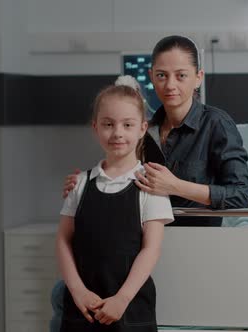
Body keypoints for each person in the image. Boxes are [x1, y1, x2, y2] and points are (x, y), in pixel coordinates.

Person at [63, 35, 248, 227]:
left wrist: (176, 186)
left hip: (197, 240)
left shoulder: (216, 124)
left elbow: (241, 195)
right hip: (142, 237)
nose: (170, 85)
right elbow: (123, 176)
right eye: (162, 75)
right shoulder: (144, 129)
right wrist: (86, 185)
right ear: (151, 76)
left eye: (181, 75)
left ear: (198, 78)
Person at [56, 75, 174, 331]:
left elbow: (151, 249)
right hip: (82, 310)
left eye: (127, 125)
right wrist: (78, 291)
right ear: (95, 127)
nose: (118, 133)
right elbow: (63, 240)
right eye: (108, 124)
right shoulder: (79, 184)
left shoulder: (150, 187)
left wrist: (122, 298)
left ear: (142, 128)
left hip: (130, 309)